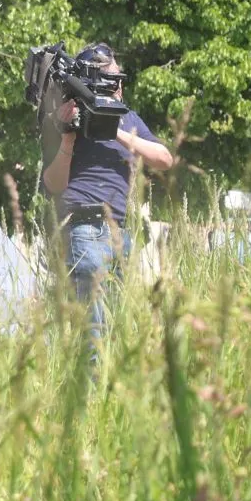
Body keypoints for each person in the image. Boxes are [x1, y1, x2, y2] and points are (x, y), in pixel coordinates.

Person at [40, 42, 173, 350]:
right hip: (84, 229)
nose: (114, 85)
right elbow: (52, 185)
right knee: (94, 335)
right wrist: (67, 139)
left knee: (116, 331)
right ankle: (87, 392)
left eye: (116, 77)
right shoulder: (65, 118)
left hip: (121, 233)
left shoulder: (129, 119)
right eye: (106, 77)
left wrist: (113, 129)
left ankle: (104, 393)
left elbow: (164, 159)